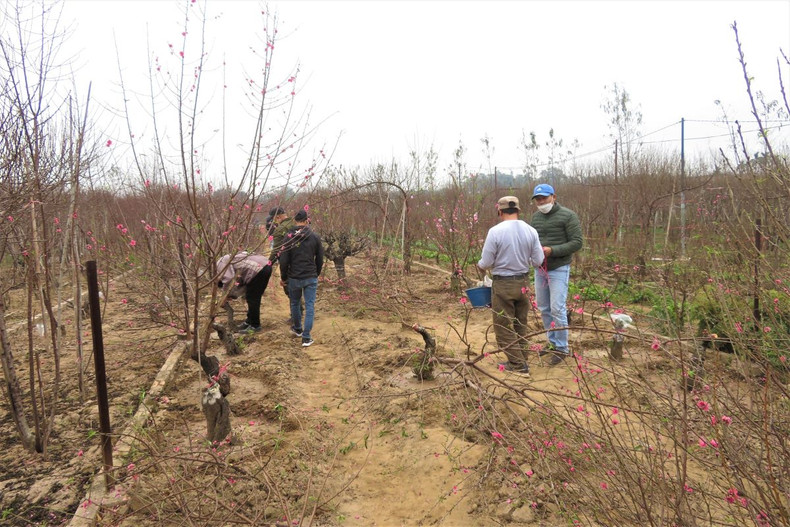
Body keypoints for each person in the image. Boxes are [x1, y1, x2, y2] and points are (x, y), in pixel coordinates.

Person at [477, 196, 544, 376]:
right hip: (523, 283)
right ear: (518, 211)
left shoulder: (495, 232)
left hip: (503, 284)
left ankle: (518, 365)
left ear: (499, 211)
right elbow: (538, 260)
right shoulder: (531, 230)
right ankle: (523, 358)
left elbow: (486, 261)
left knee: (503, 326)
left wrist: (480, 266)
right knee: (520, 322)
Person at [530, 183, 584, 366]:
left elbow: (577, 242)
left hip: (559, 267)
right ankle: (552, 342)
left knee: (557, 308)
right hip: (540, 268)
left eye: (544, 198)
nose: (541, 202)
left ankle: (562, 348)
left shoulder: (568, 216)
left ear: (554, 196)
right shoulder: (535, 218)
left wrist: (552, 250)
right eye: (538, 199)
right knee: (544, 307)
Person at [279, 209, 324, 348]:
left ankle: (298, 329)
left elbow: (284, 260)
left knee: (295, 303)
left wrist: (284, 277)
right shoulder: (314, 236)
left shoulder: (289, 237)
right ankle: (306, 337)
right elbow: (320, 258)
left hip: (294, 277)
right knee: (310, 305)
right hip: (310, 275)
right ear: (306, 220)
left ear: (295, 221)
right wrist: (316, 273)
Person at [216, 251, 273, 334]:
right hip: (265, 265)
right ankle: (249, 321)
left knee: (253, 298)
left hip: (259, 268)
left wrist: (225, 295)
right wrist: (232, 295)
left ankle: (255, 326)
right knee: (251, 296)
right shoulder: (227, 259)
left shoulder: (220, 264)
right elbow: (240, 283)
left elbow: (228, 280)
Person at [267, 207, 296, 299]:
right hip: (305, 263)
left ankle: (297, 311)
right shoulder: (296, 223)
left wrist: (268, 264)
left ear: (278, 217)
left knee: (290, 291)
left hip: (288, 264)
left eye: (273, 219)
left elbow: (277, 250)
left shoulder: (280, 229)